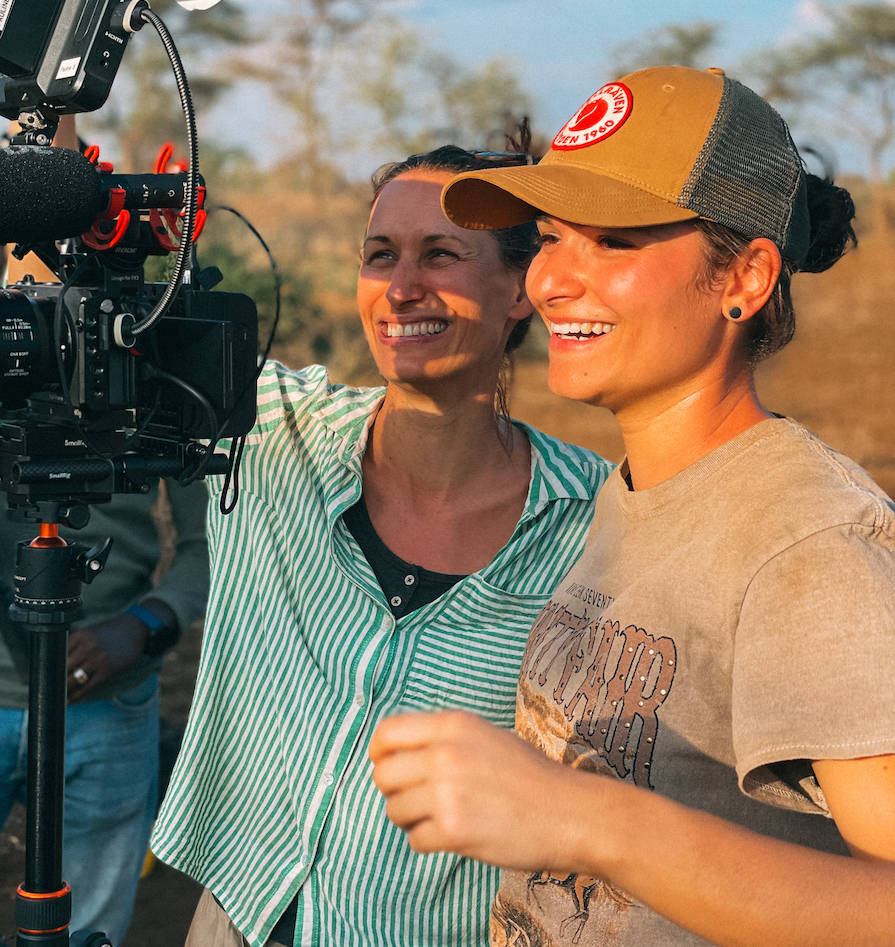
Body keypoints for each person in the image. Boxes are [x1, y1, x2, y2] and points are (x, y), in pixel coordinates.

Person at [369, 66, 895, 947]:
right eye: (546, 238)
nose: (549, 281)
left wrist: (588, 820)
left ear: (746, 276)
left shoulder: (808, 542)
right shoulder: (635, 494)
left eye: (612, 242)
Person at [150, 144, 614, 947]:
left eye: (440, 254)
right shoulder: (270, 432)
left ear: (520, 288)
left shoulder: (594, 520)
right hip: (237, 916)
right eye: (380, 255)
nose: (401, 288)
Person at [0, 116, 211, 945]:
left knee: (91, 928)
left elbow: (209, 547)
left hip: (112, 697)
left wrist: (143, 627)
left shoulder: (138, 344)